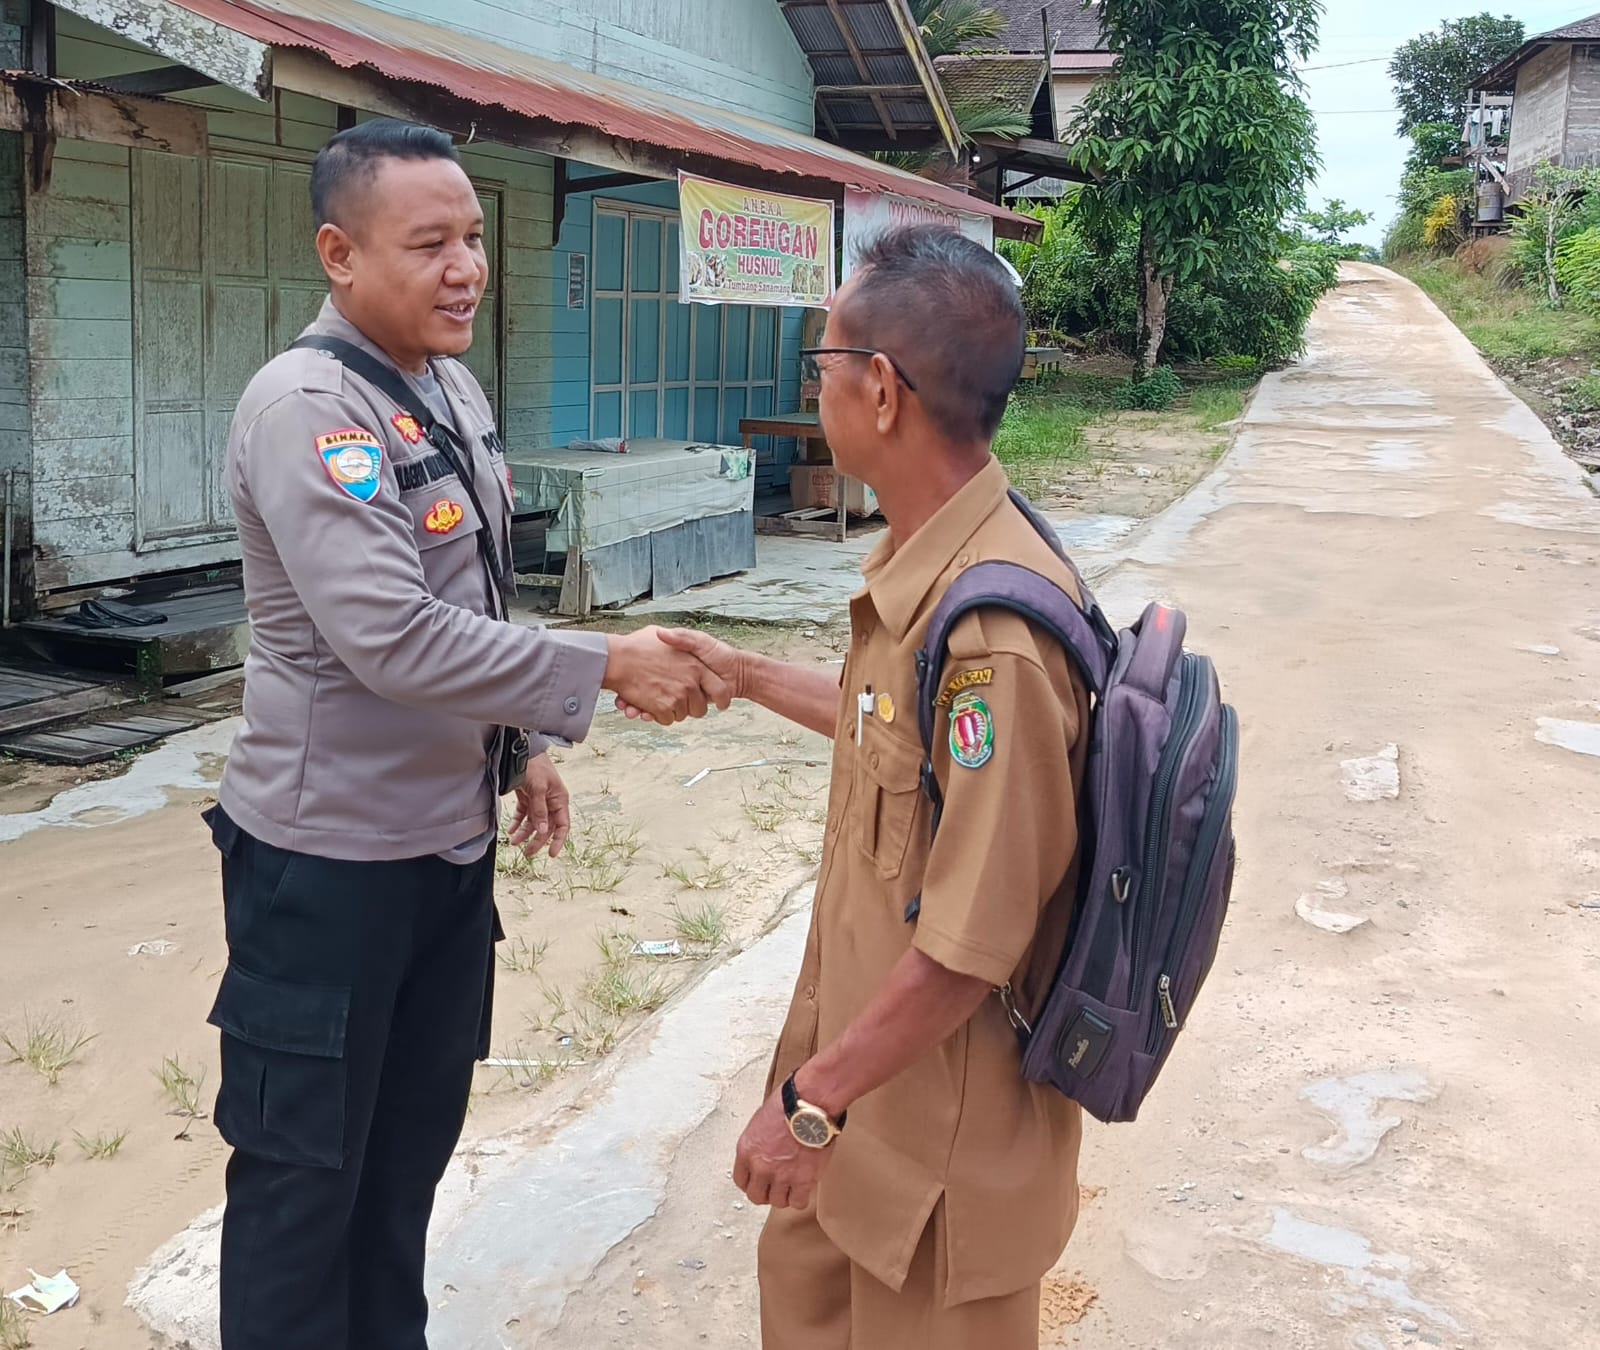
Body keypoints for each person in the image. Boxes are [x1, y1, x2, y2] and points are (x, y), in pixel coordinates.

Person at [206, 119, 725, 1350]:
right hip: (325, 867)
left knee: (400, 1171)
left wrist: (518, 748)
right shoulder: (308, 410)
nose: (466, 269)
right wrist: (601, 664)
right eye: (428, 243)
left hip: (441, 855)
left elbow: (472, 597)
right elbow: (388, 636)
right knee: (302, 1185)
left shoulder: (448, 389)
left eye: (476, 239)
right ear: (339, 253)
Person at [636, 226, 1090, 1348]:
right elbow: (891, 733)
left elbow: (970, 943)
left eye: (822, 362)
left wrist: (810, 1103)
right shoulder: (928, 573)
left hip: (933, 1170)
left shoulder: (992, 635)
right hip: (865, 1128)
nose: (821, 385)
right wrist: (741, 674)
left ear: (879, 392)